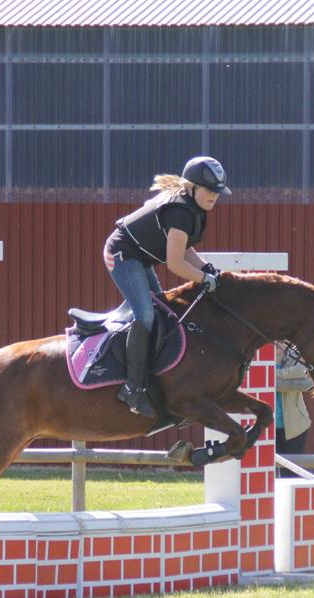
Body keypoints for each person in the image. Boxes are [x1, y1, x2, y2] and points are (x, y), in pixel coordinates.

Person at [103, 156, 231, 417]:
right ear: (192, 187)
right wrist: (204, 278)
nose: (214, 197)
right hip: (122, 255)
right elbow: (175, 263)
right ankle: (133, 387)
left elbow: (185, 247)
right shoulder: (180, 212)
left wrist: (205, 267)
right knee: (146, 315)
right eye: (209, 190)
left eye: (218, 192)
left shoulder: (192, 207)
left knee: (160, 310)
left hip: (140, 258)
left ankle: (150, 373)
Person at [275, 343, 311, 476]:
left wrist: (274, 374)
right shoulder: (258, 355)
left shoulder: (293, 353)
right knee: (267, 475)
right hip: (267, 427)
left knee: (291, 473)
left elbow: (303, 370)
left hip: (295, 426)